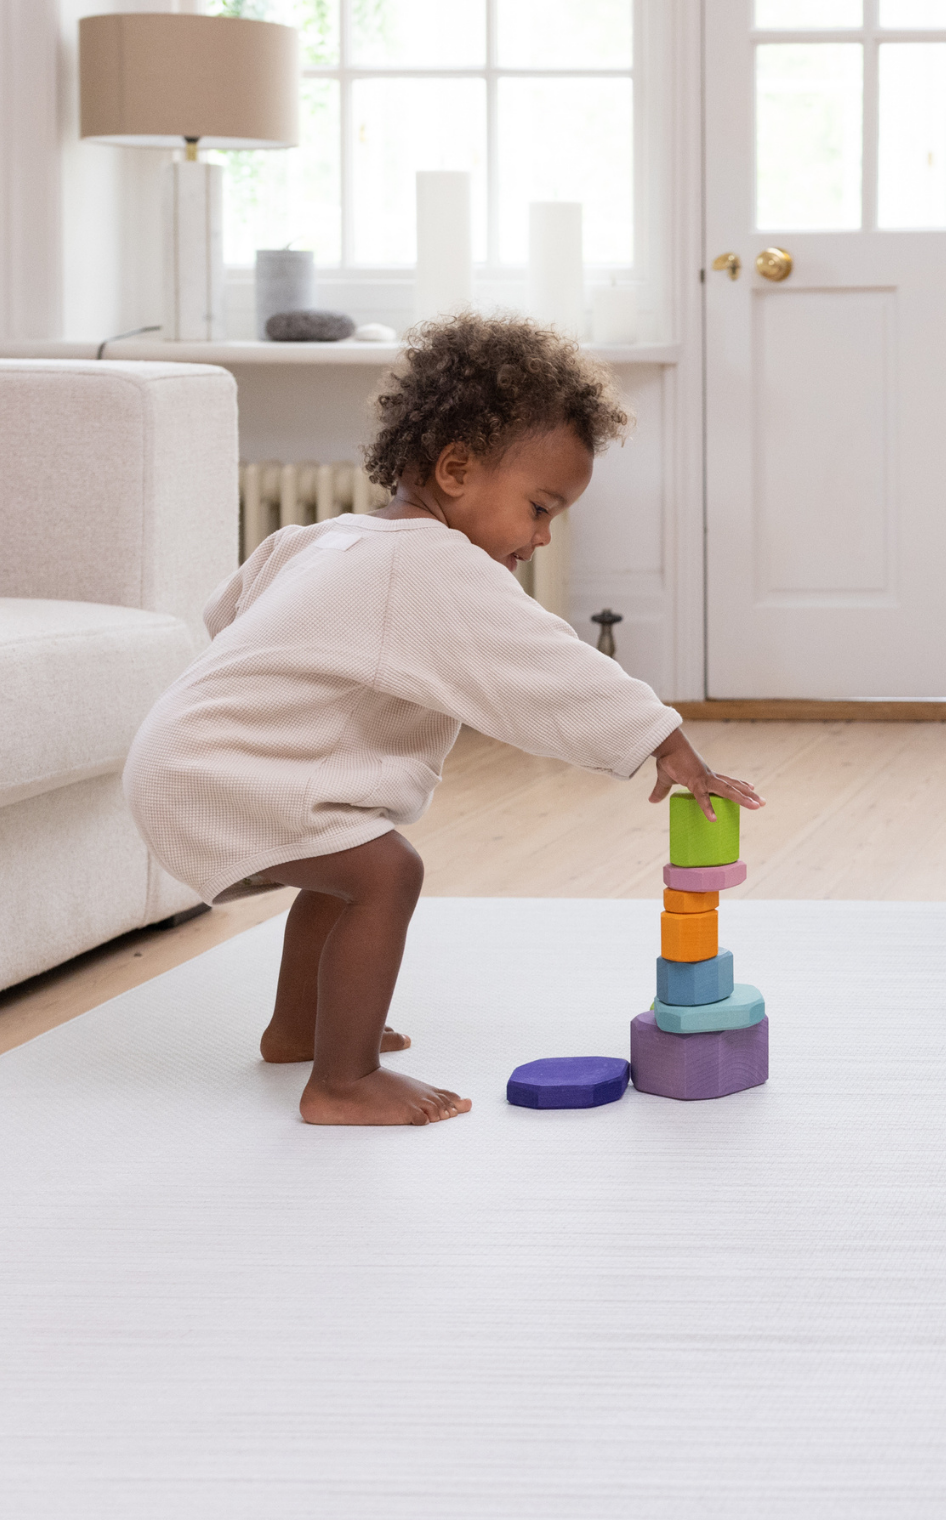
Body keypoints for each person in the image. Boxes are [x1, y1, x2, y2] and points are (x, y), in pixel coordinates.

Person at [124, 314, 761, 1128]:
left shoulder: (322, 537)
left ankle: (297, 1030)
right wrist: (662, 743)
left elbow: (230, 616)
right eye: (539, 506)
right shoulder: (433, 562)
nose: (540, 536)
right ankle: (342, 1081)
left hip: (178, 755)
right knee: (389, 875)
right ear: (456, 468)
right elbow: (548, 664)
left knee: (342, 862)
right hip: (217, 769)